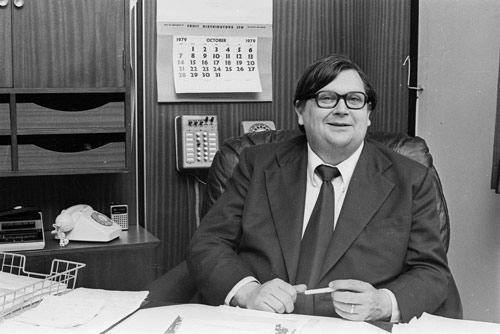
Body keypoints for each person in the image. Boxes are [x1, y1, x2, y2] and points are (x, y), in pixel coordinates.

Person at [186, 54, 460, 323]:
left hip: (358, 327)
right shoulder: (256, 163)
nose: (342, 110)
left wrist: (383, 303)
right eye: (326, 98)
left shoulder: (411, 178)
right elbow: (209, 243)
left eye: (354, 100)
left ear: (367, 115)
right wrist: (250, 292)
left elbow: (431, 271)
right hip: (264, 322)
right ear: (301, 111)